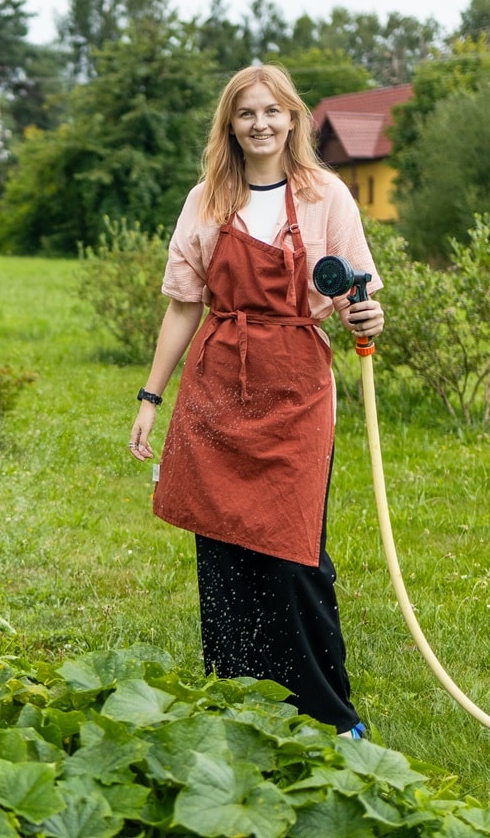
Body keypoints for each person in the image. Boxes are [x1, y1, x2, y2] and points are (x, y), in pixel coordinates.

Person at [127, 64, 384, 736]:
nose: (261, 124)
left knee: (296, 559)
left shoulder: (326, 195)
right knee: (223, 559)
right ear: (230, 125)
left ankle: (331, 717)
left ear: (293, 118)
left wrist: (367, 316)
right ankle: (236, 703)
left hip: (297, 391)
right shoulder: (208, 199)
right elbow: (185, 306)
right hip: (217, 392)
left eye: (272, 111)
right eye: (247, 114)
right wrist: (151, 397)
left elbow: (359, 292)